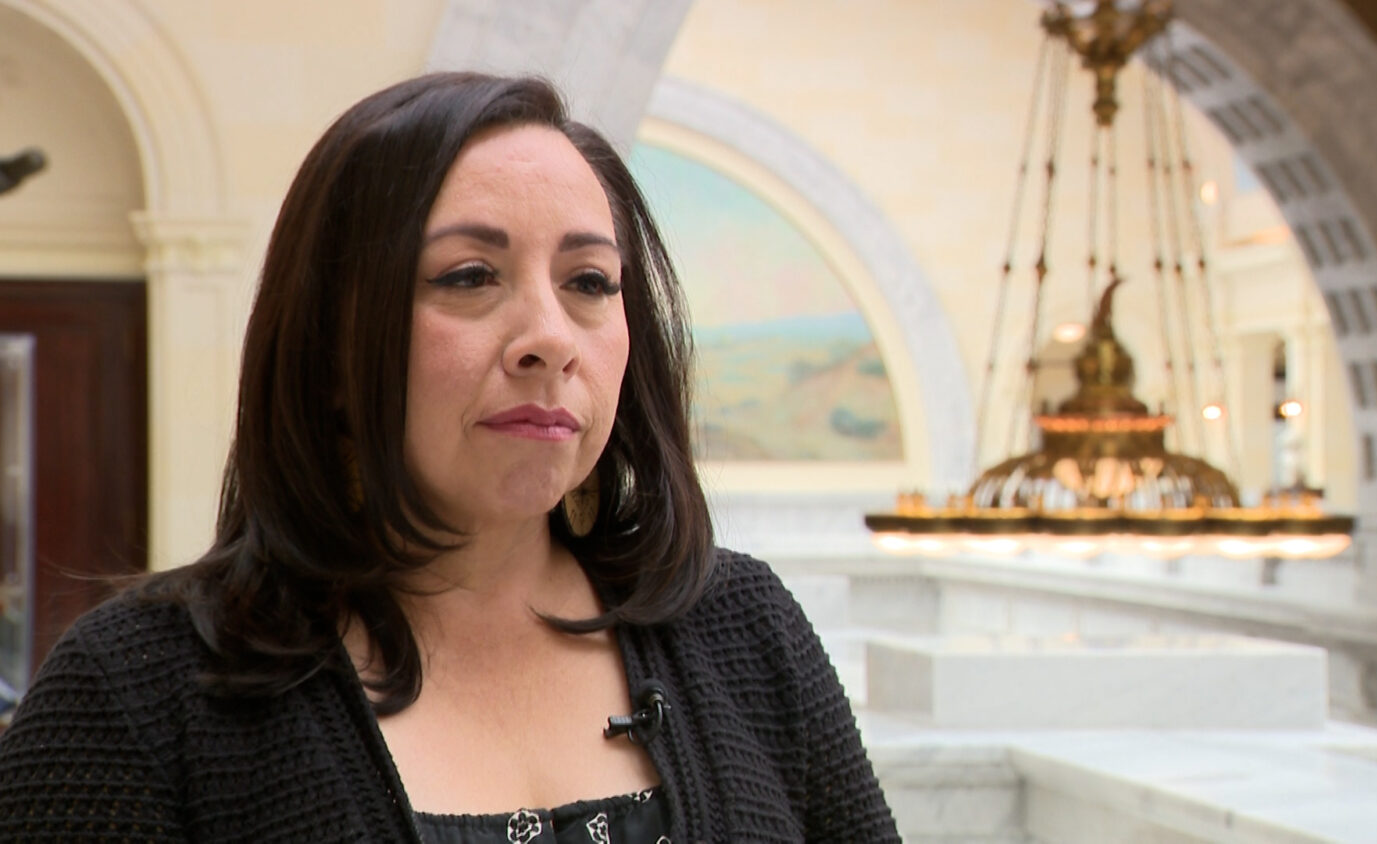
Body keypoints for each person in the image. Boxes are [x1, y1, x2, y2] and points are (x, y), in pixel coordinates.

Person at [0, 73, 899, 842]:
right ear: (332, 343)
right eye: (469, 276)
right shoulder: (135, 694)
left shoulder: (745, 631)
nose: (551, 339)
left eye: (589, 282)